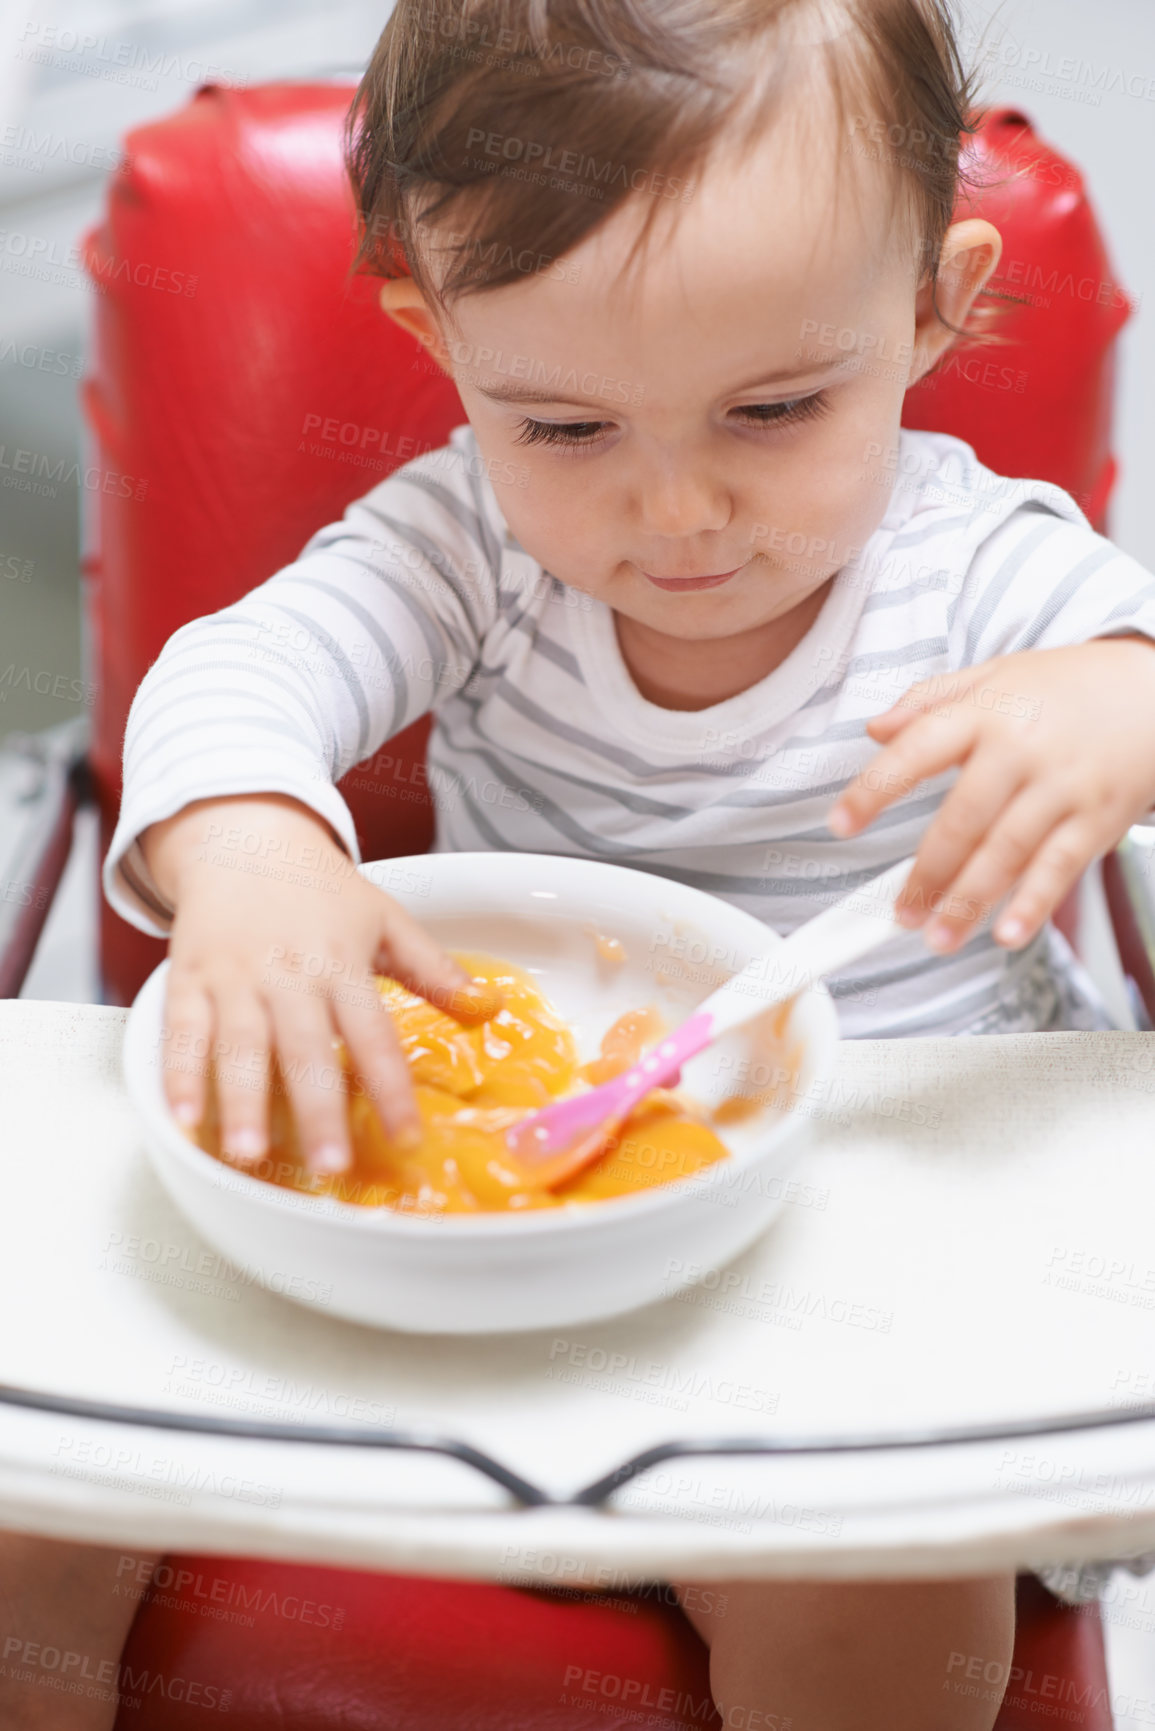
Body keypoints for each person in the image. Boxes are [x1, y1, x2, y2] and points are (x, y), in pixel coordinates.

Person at [7, 0, 1155, 1726]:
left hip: (866, 1251)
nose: (676, 515)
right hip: (476, 1220)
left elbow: (1129, 679)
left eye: (773, 406)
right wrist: (246, 850)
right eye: (563, 429)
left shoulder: (983, 570)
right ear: (438, 334)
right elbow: (235, 676)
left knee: (878, 1598)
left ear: (931, 309)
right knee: (34, 1492)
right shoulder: (467, 546)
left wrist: (1123, 710)